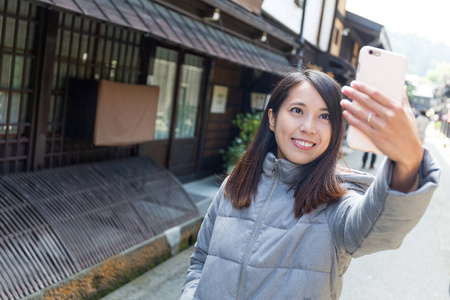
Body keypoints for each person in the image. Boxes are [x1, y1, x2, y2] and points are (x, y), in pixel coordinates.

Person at [180, 70, 440, 300]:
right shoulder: (234, 186)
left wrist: (408, 161)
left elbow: (379, 227)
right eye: (297, 110)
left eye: (324, 116)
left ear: (336, 128)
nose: (308, 127)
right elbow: (200, 260)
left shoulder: (338, 203)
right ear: (272, 118)